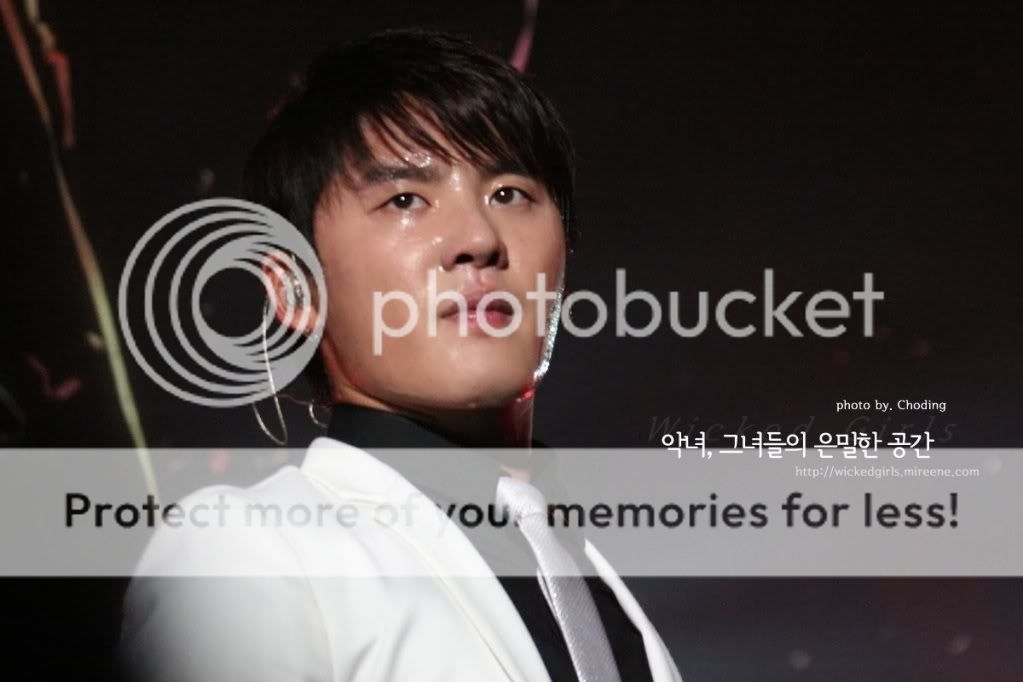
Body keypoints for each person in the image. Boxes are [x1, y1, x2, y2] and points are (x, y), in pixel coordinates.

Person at [120, 28, 682, 682]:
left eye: (509, 194)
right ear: (295, 288)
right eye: (405, 200)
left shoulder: (603, 594)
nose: (478, 238)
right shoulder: (247, 551)